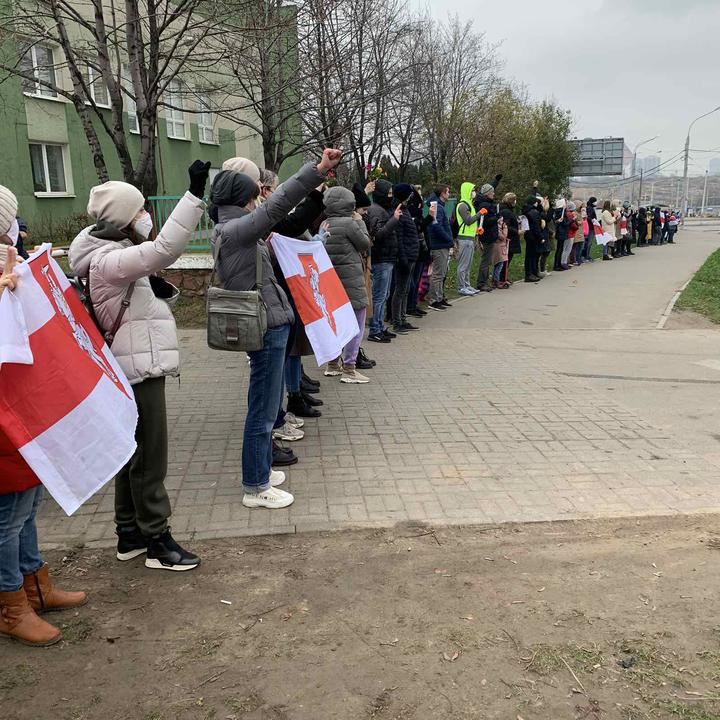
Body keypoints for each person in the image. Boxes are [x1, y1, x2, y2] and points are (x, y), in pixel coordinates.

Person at [69, 161, 210, 571]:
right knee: (150, 455)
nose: (147, 215)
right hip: (137, 369)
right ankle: (157, 541)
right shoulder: (108, 260)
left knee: (132, 453)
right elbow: (165, 249)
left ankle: (129, 533)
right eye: (142, 210)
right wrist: (193, 195)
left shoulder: (108, 254)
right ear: (125, 218)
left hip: (131, 363)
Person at [211, 149, 341, 510]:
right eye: (255, 193)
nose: (260, 199)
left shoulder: (232, 228)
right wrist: (318, 170)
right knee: (263, 412)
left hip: (270, 324)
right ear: (245, 197)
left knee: (264, 408)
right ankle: (256, 486)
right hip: (267, 329)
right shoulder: (238, 230)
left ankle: (261, 469)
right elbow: (280, 203)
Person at [1, 226, 87, 647]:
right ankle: (10, 605)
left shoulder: (8, 264)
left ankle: (35, 584)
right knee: (6, 519)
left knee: (28, 506)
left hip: (23, 411)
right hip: (5, 418)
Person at [322, 186, 372, 383]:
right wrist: (360, 222)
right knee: (356, 324)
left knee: (335, 323)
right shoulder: (350, 224)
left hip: (331, 281)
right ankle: (350, 368)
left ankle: (333, 363)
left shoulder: (325, 223)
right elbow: (365, 244)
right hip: (351, 281)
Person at [365, 179, 400, 341]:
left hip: (388, 257)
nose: (391, 196)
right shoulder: (376, 211)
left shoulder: (382, 209)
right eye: (389, 193)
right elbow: (377, 234)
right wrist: (394, 220)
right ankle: (375, 329)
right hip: (381, 258)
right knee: (379, 295)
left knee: (384, 294)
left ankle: (379, 326)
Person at [390, 184, 421, 334]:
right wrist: (402, 257)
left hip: (411, 254)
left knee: (406, 289)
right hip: (405, 255)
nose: (411, 197)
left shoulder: (406, 209)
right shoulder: (399, 211)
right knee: (400, 290)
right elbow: (400, 237)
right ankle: (397, 321)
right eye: (409, 195)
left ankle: (403, 318)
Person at [406, 187, 433, 319]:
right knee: (413, 281)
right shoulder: (412, 213)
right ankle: (409, 306)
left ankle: (413, 304)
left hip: (422, 250)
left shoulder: (418, 213)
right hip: (415, 251)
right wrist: (429, 218)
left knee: (417, 281)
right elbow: (419, 227)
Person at [426, 184, 453, 311]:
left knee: (442, 273)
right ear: (442, 193)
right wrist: (448, 239)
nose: (449, 194)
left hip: (443, 244)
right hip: (439, 245)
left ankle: (440, 297)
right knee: (437, 274)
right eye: (448, 192)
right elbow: (436, 226)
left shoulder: (440, 207)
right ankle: (433, 300)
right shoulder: (437, 207)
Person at [474, 174, 503, 291]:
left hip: (489, 235)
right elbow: (485, 221)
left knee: (487, 260)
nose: (494, 194)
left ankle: (484, 281)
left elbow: (489, 188)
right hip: (487, 235)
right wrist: (497, 217)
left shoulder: (484, 201)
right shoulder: (484, 205)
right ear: (487, 194)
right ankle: (481, 283)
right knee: (485, 260)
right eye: (492, 192)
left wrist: (496, 181)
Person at [454, 182, 482, 295]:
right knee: (463, 264)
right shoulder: (462, 205)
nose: (474, 192)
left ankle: (467, 285)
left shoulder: (469, 204)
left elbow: (471, 224)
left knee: (468, 264)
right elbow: (468, 220)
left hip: (470, 237)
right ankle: (461, 287)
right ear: (467, 191)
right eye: (472, 190)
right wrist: (479, 214)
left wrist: (476, 230)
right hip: (464, 238)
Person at [499, 193, 521, 282]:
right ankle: (502, 278)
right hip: (509, 239)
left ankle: (504, 277)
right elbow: (506, 226)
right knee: (506, 259)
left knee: (507, 259)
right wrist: (516, 231)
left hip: (510, 238)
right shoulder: (506, 212)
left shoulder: (508, 210)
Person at [522, 195, 543, 282]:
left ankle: (531, 273)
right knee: (532, 256)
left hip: (528, 235)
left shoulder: (526, 210)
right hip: (533, 236)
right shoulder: (533, 212)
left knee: (529, 255)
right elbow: (536, 226)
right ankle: (530, 274)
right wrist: (540, 237)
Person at [583, 196, 598, 261]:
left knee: (587, 242)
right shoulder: (590, 209)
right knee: (589, 242)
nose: (596, 203)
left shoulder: (589, 208)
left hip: (588, 227)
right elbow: (588, 217)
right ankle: (586, 255)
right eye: (595, 201)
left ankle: (585, 255)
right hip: (590, 227)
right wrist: (593, 220)